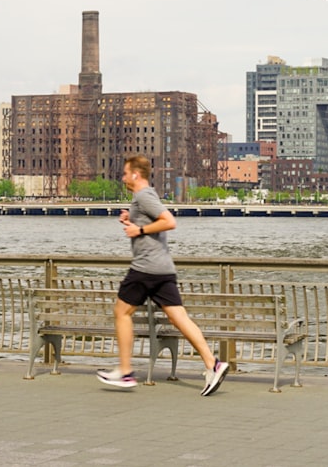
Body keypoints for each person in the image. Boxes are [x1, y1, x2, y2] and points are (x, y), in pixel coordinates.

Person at [96, 155, 229, 396]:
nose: (123, 178)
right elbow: (152, 223)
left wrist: (139, 229)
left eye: (125, 173)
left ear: (136, 174)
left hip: (146, 268)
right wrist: (130, 220)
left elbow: (169, 221)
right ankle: (213, 364)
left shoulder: (144, 196)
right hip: (163, 268)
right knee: (180, 318)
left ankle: (125, 372)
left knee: (121, 313)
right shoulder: (144, 197)